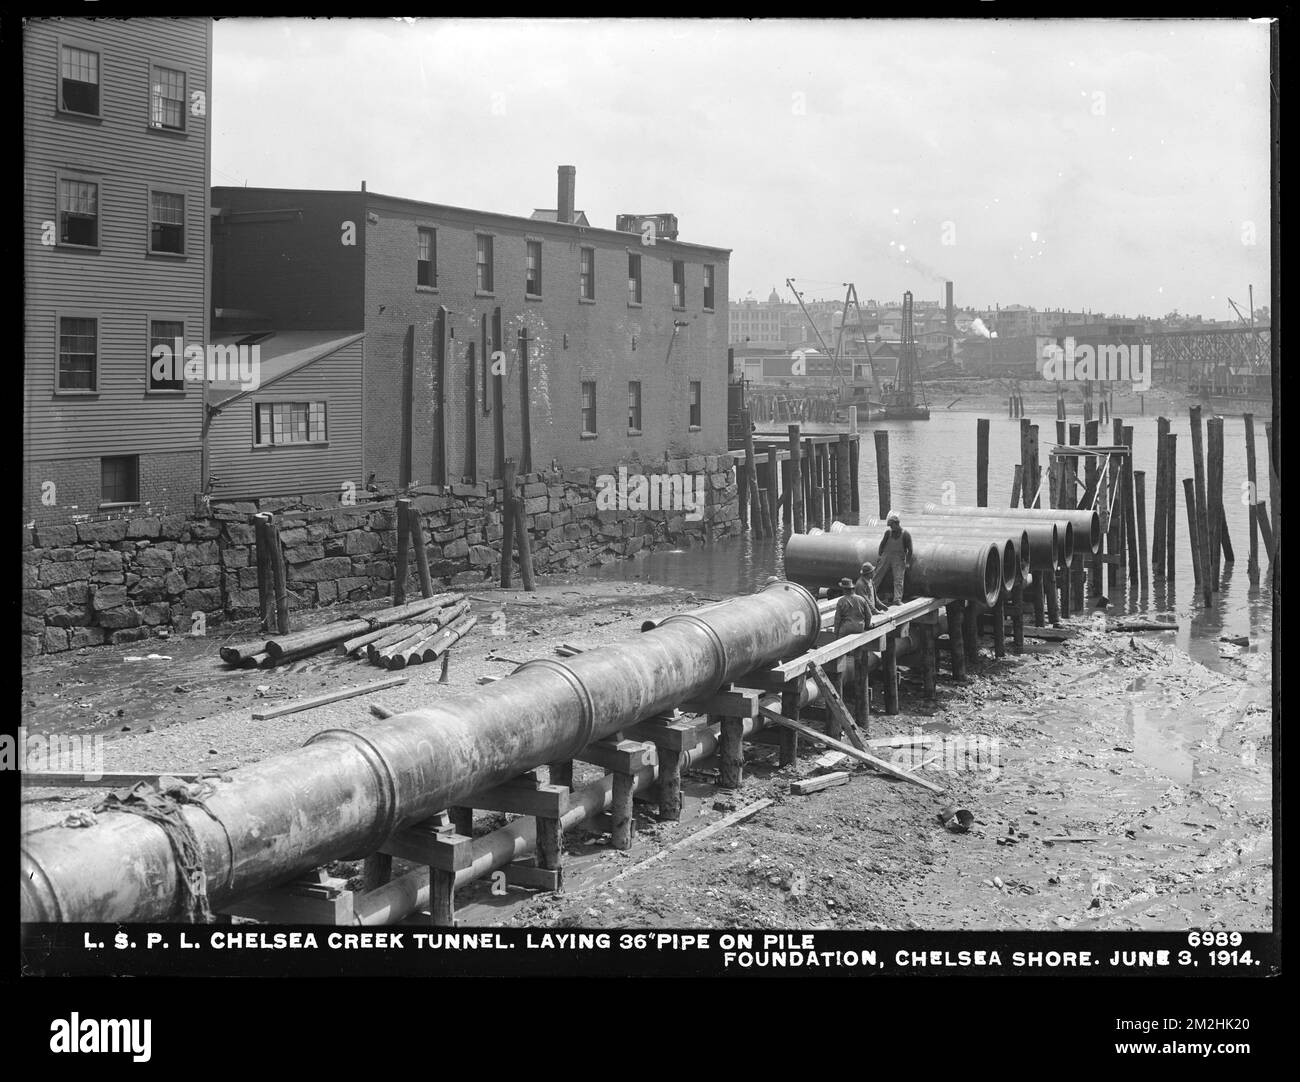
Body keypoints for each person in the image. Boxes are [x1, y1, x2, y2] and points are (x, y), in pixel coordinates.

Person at [872, 511, 913, 605]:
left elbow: (910, 550)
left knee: (898, 579)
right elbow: (882, 545)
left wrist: (907, 562)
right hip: (886, 556)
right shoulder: (888, 533)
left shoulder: (905, 534)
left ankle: (897, 599)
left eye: (892, 525)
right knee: (877, 575)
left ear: (897, 524)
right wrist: (879, 556)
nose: (891, 528)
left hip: (899, 559)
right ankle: (871, 595)